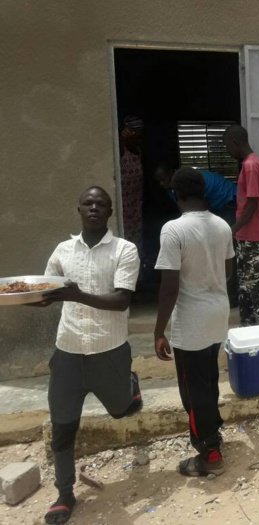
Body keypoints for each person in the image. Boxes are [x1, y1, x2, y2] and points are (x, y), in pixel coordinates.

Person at [40, 187, 143, 525]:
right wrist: (31, 295)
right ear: (79, 209)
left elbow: (121, 300)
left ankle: (129, 385)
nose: (94, 208)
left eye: (101, 204)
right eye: (88, 203)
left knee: (120, 410)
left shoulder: (124, 250)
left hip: (108, 350)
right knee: (63, 426)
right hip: (68, 351)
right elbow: (46, 291)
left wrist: (76, 294)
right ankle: (65, 493)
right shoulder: (63, 251)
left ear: (110, 211)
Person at [153, 167, 234, 477]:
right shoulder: (223, 226)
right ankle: (213, 432)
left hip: (192, 320)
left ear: (176, 195)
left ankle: (209, 453)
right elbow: (226, 271)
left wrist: (160, 330)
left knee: (192, 389)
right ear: (204, 192)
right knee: (208, 379)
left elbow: (169, 287)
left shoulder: (173, 230)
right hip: (218, 313)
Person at [154, 161, 239, 307]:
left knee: (226, 251)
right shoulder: (173, 190)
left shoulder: (193, 184)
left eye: (164, 179)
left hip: (229, 201)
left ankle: (231, 299)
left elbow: (202, 212)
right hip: (216, 206)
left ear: (171, 173)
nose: (162, 183)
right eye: (159, 181)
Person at [222, 124, 259, 326]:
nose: (227, 150)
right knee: (244, 284)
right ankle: (248, 326)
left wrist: (231, 230)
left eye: (227, 146)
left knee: (255, 284)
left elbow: (252, 204)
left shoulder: (251, 166)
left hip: (251, 235)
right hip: (246, 235)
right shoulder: (252, 163)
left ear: (235, 142)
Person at [119, 115, 145, 256]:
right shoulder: (121, 149)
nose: (138, 137)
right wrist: (123, 139)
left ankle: (138, 277)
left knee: (135, 247)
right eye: (135, 133)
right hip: (123, 209)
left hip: (135, 208)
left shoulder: (138, 149)